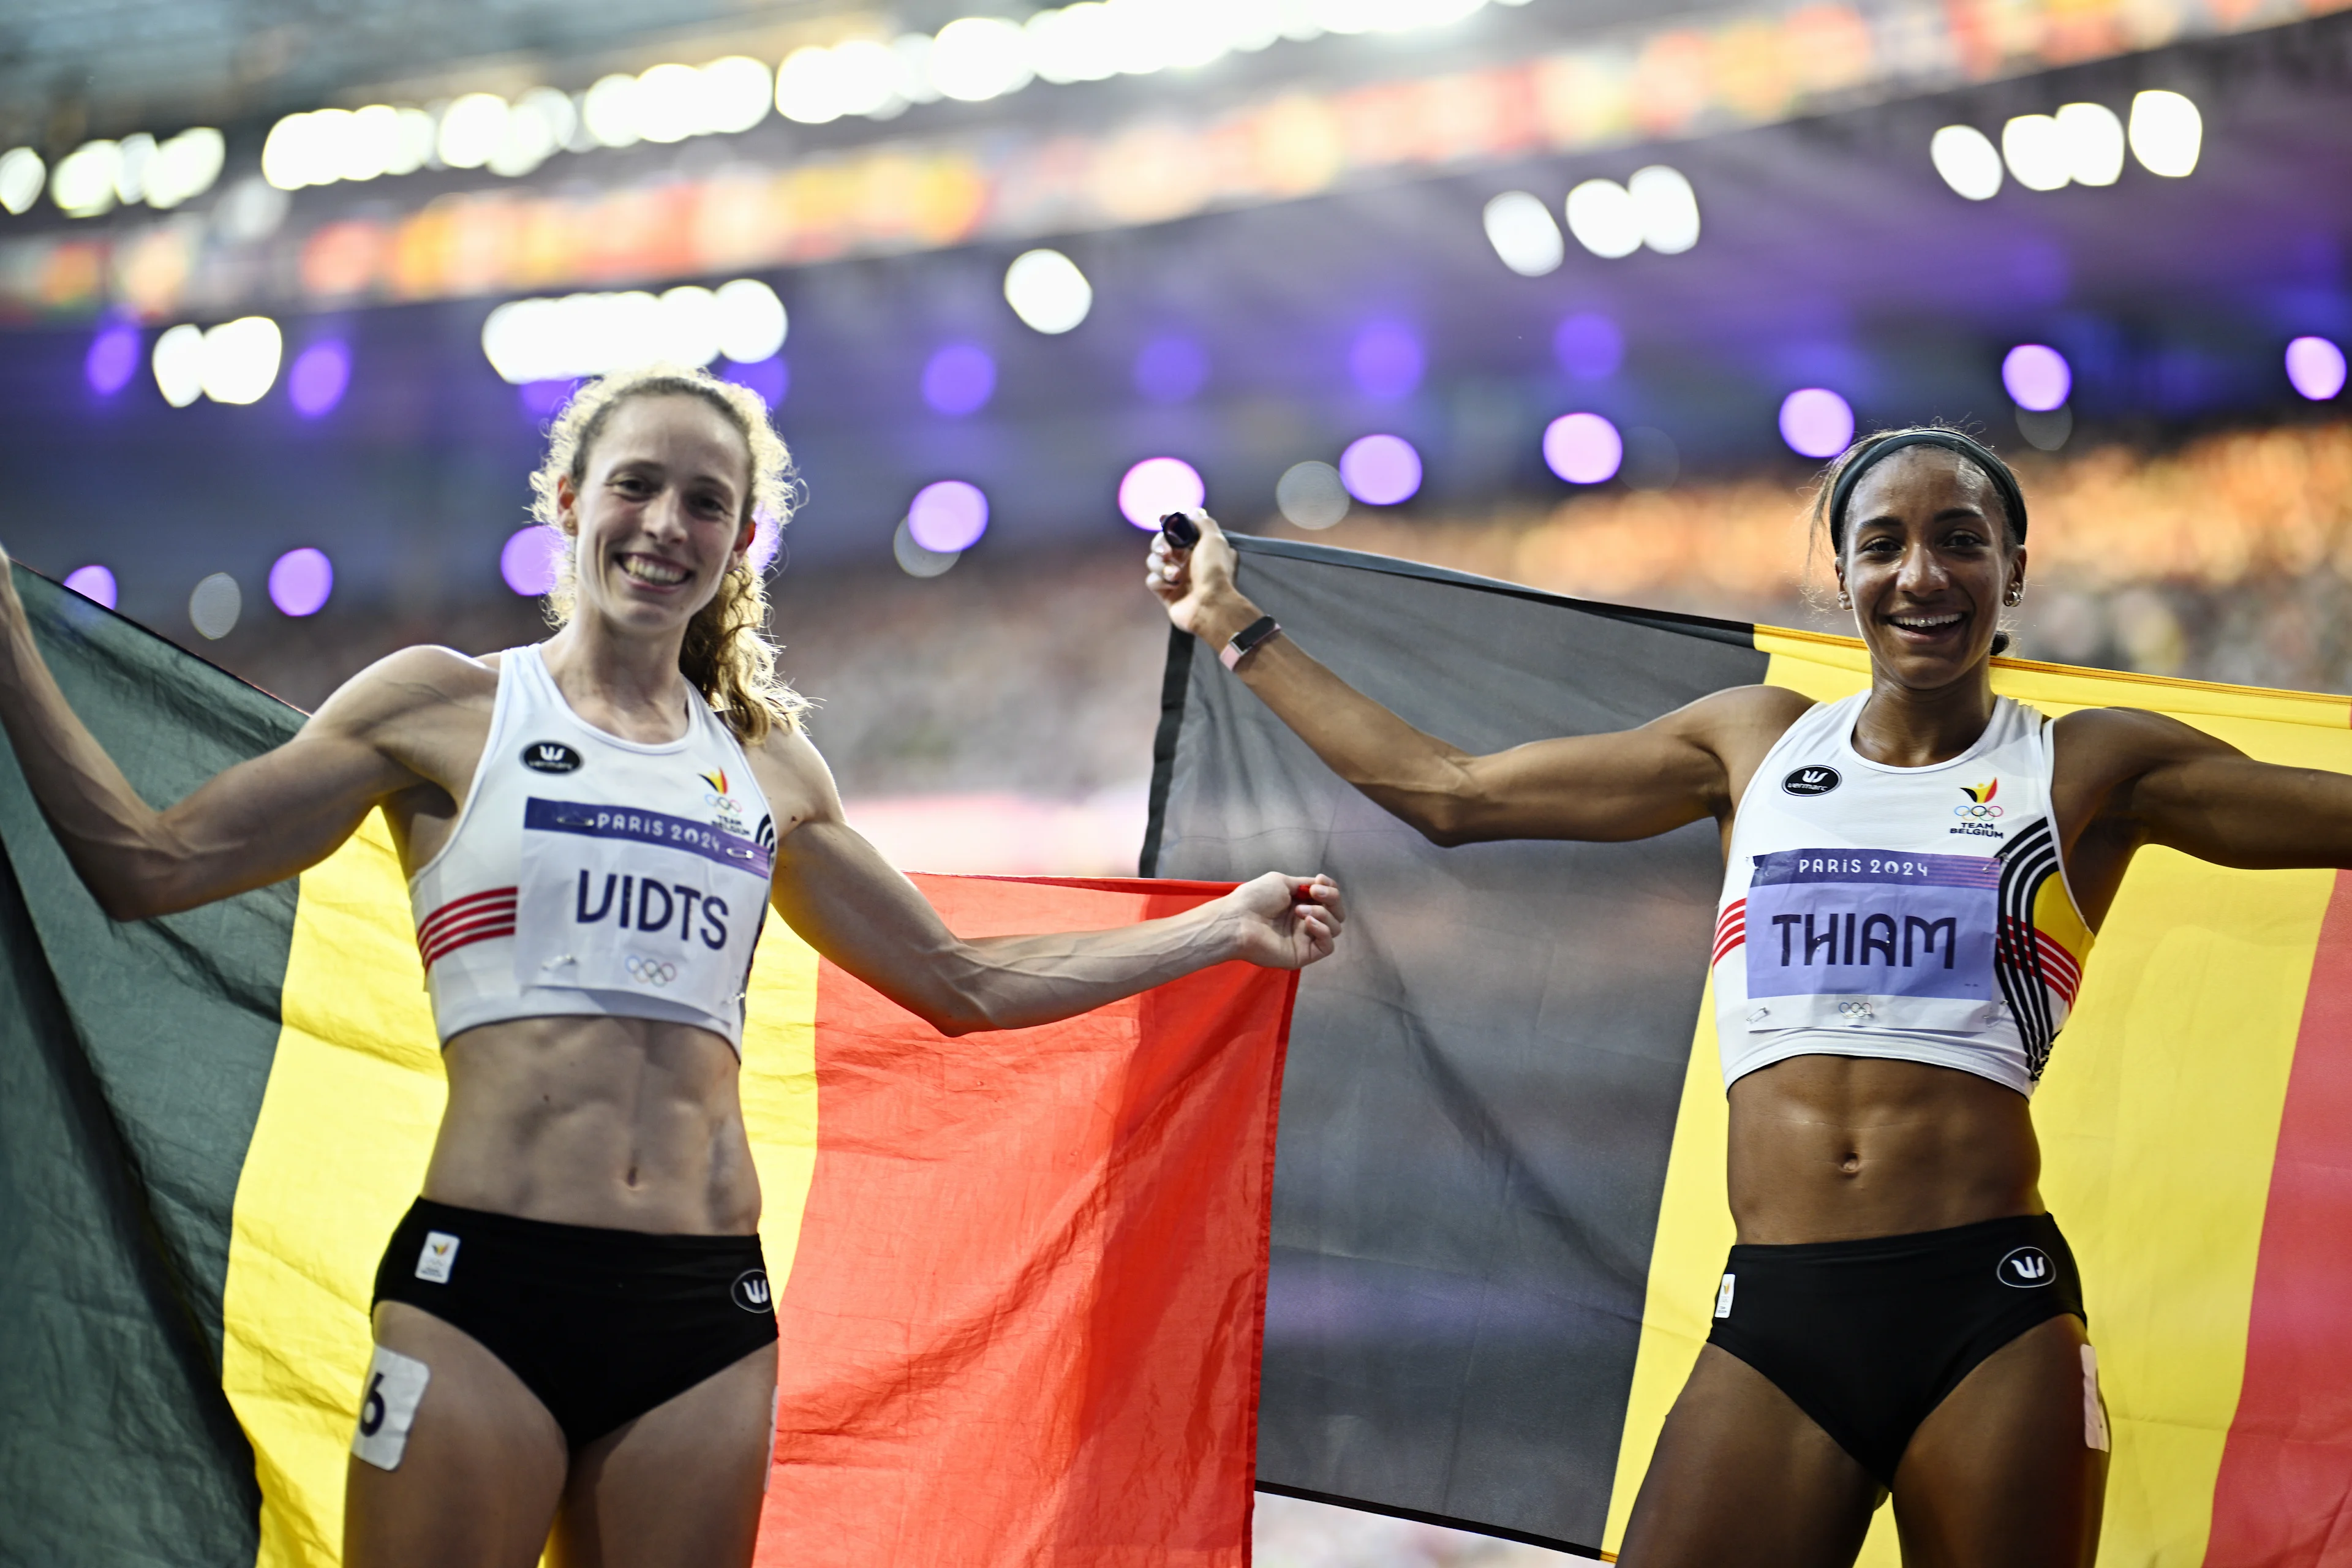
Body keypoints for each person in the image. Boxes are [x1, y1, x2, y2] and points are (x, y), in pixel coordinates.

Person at [0, 363, 1344, 1568]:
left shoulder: (765, 767)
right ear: (572, 498)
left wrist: (1222, 926)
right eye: (636, 486)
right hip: (485, 1293)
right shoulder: (441, 707)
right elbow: (151, 863)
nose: (665, 524)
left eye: (706, 502)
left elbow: (960, 980)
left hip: (706, 1318)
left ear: (740, 541)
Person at [1147, 425, 2352, 1567]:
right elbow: (1451, 791)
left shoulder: (2088, 764)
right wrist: (1232, 622)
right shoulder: (1755, 745)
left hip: (1991, 1312)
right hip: (1782, 1313)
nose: (1922, 572)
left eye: (1962, 538)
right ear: (1841, 573)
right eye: (1883, 542)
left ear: (2013, 570)